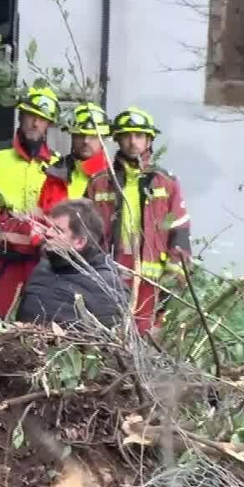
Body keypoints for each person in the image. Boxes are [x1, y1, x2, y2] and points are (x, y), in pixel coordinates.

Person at [84, 107, 192, 334]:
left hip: (151, 279)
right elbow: (85, 231)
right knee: (107, 334)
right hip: (109, 273)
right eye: (126, 136)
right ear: (117, 140)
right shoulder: (100, 183)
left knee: (145, 336)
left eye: (139, 135)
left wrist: (175, 270)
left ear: (149, 140)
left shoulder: (165, 183)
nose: (133, 142)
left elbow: (177, 227)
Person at [0, 85, 62, 318]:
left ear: (49, 125)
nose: (35, 124)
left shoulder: (57, 165)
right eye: (31, 116)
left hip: (40, 261)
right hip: (1, 258)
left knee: (37, 326)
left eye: (42, 119)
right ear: (21, 116)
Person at [16, 198, 125, 329]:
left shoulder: (107, 286)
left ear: (79, 242)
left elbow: (107, 342)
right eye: (50, 227)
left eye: (58, 230)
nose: (48, 233)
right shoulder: (43, 268)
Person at [37, 102, 112, 206]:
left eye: (93, 136)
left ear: (103, 140)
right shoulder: (55, 174)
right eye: (80, 135)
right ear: (72, 136)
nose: (86, 141)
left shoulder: (114, 179)